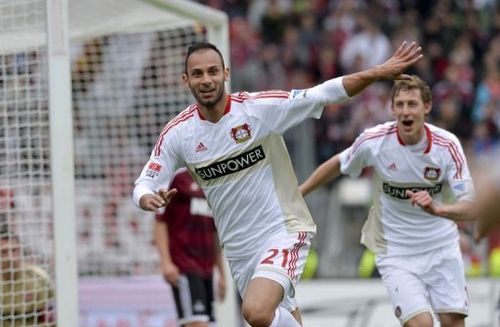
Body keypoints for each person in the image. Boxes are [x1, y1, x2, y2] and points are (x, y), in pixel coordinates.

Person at [133, 40, 422, 327]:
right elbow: (147, 179)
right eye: (197, 74)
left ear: (226, 73)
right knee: (271, 319)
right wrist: (146, 197)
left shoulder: (257, 110)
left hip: (281, 229)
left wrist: (376, 72)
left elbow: (322, 94)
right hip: (238, 248)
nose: (206, 80)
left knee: (256, 312)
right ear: (186, 80)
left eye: (212, 71)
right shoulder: (178, 133)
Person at [299, 75, 476, 327]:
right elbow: (338, 163)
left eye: (412, 104)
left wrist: (437, 208)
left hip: (441, 248)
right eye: (400, 104)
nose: (406, 111)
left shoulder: (447, 146)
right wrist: (300, 192)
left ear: (427, 107)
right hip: (396, 252)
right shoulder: (375, 141)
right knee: (421, 324)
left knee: (452, 322)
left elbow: (471, 207)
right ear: (392, 109)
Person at [154, 168, 226, 327]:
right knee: (197, 323)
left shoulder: (214, 183)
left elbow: (215, 234)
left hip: (207, 269)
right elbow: (160, 221)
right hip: (185, 265)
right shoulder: (178, 179)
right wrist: (165, 262)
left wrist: (222, 274)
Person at [0, 224, 55, 327]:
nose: (11, 257)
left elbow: (50, 319)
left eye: (14, 250)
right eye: (4, 252)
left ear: (21, 250)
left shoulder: (38, 277)